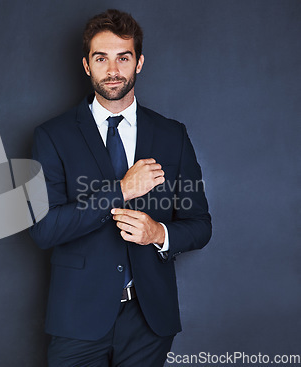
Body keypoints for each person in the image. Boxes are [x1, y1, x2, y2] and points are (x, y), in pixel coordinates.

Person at [29, 9, 211, 367]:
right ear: (86, 65)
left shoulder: (172, 135)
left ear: (139, 63)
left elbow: (200, 225)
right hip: (77, 320)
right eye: (102, 58)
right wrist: (121, 191)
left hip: (149, 322)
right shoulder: (51, 136)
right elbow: (43, 229)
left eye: (123, 58)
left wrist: (159, 232)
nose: (113, 70)